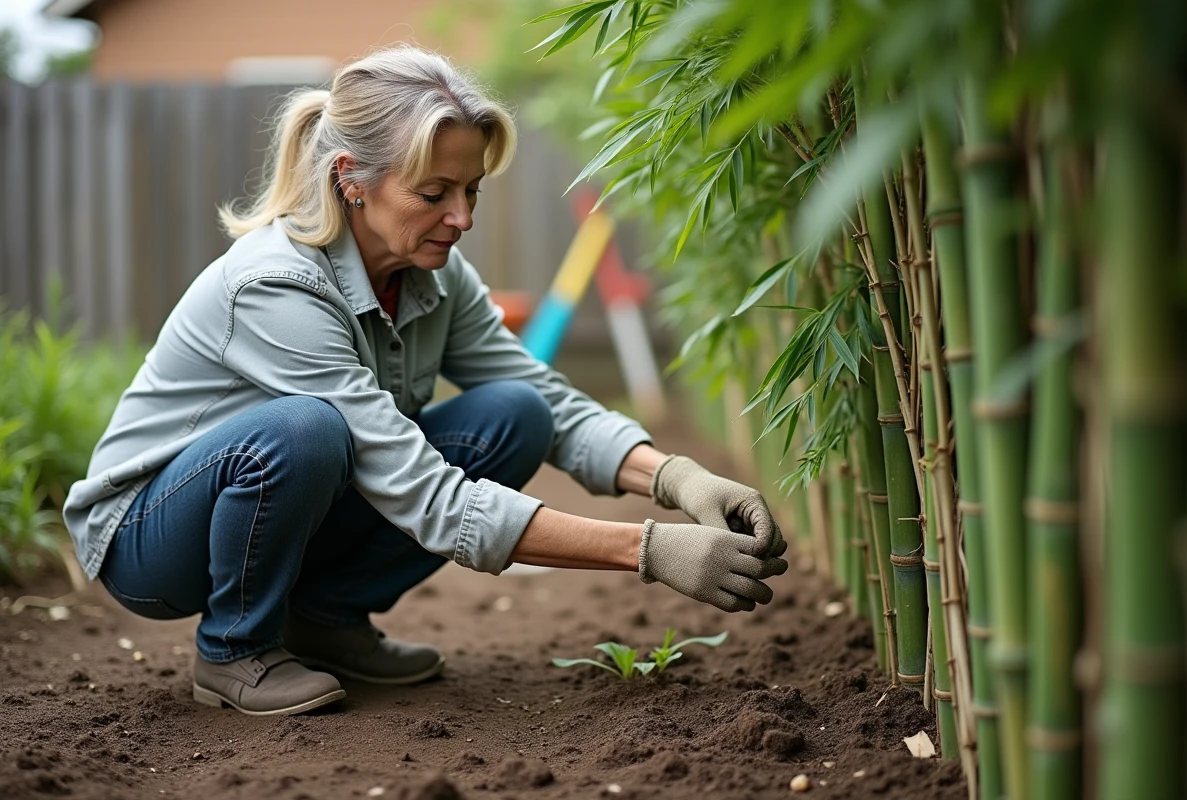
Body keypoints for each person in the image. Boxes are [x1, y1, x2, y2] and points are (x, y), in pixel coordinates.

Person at [62, 46, 788, 718]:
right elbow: (421, 490)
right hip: (150, 538)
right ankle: (232, 651)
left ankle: (325, 620)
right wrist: (648, 549)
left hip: (275, 505)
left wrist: (677, 478)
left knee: (516, 412)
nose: (463, 217)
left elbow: (549, 402)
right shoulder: (276, 286)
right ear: (351, 178)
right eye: (435, 191)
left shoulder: (432, 274)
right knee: (308, 428)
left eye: (470, 190)